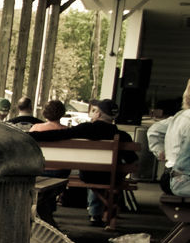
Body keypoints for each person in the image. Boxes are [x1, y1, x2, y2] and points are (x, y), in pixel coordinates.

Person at [32, 97, 129, 227]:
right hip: (112, 178)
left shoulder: (85, 129)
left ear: (98, 114)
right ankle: (103, 213)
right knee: (111, 181)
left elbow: (58, 135)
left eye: (94, 110)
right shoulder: (123, 136)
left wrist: (31, 135)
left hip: (88, 175)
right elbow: (132, 161)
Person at [146, 79, 190, 197]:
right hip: (181, 180)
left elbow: (154, 130)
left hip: (168, 176)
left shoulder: (180, 116)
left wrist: (160, 150)